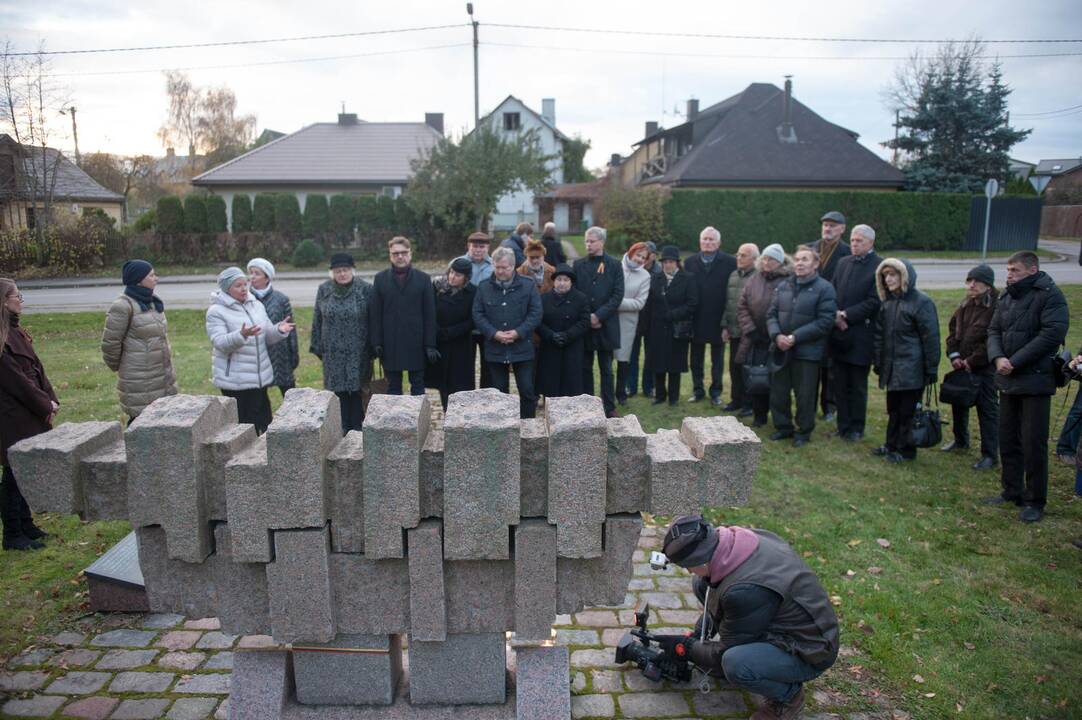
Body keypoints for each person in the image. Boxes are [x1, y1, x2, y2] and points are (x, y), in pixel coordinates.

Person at [660, 515, 839, 720]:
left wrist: (688, 649)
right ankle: (752, 656)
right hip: (773, 619)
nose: (689, 570)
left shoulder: (744, 591)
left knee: (736, 664)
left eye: (687, 566)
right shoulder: (733, 544)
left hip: (810, 649)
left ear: (701, 559)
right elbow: (716, 598)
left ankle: (789, 697)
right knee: (701, 583)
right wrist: (697, 635)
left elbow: (725, 651)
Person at [984, 251, 1069, 523]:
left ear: (1032, 270)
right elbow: (993, 330)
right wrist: (997, 357)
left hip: (1035, 379)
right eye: (1008, 270)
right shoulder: (1007, 296)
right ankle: (1012, 489)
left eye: (1014, 270)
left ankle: (1035, 500)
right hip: (1007, 377)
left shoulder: (1050, 295)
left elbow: (1052, 334)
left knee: (1034, 443)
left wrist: (1015, 361)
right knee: (1007, 437)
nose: (1009, 275)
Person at [0, 278, 57, 551]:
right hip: (12, 417)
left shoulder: (16, 331)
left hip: (28, 412)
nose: (20, 300)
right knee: (13, 474)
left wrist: (51, 399)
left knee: (23, 471)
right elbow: (17, 382)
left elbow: (37, 369)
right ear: (4, 301)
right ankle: (12, 534)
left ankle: (26, 524)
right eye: (16, 296)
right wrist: (44, 405)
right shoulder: (2, 338)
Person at [206, 267, 295, 435]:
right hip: (235, 381)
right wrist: (241, 335)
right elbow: (220, 342)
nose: (243, 288)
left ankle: (263, 457)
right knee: (244, 428)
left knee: (265, 422)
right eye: (237, 285)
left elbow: (266, 334)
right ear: (226, 289)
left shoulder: (256, 305)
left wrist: (279, 330)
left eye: (245, 284)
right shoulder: (216, 311)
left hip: (259, 378)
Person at [871, 258, 940, 463]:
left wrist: (931, 368)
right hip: (892, 367)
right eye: (885, 275)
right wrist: (878, 361)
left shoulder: (922, 302)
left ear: (904, 276)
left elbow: (931, 337)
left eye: (893, 274)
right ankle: (891, 444)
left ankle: (906, 450)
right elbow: (879, 335)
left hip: (912, 367)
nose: (888, 279)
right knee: (893, 409)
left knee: (907, 411)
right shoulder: (888, 303)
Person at [767, 246, 837, 447]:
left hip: (807, 353)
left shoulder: (825, 289)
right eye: (797, 259)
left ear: (816, 264)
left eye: (805, 259)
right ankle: (783, 427)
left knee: (805, 395)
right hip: (781, 348)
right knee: (779, 392)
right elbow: (771, 314)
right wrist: (777, 335)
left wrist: (795, 337)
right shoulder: (783, 286)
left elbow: (825, 321)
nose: (799, 263)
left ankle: (803, 432)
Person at [100, 260, 177, 422]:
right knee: (140, 423)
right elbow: (110, 344)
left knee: (163, 424)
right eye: (151, 275)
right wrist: (124, 367)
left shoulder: (152, 302)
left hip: (162, 375)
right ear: (139, 279)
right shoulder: (123, 306)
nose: (156, 278)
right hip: (139, 380)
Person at [473, 246, 542, 418]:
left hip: (522, 348)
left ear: (513, 266)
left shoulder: (528, 285)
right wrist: (493, 333)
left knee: (526, 391)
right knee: (499, 393)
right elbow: (477, 314)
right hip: (495, 348)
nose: (500, 271)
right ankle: (503, 429)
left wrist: (519, 332)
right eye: (497, 267)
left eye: (504, 267)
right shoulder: (483, 287)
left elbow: (536, 313)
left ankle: (528, 428)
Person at [942, 264, 1000, 470]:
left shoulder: (996, 306)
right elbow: (952, 330)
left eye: (977, 281)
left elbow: (992, 339)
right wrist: (954, 354)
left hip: (985, 368)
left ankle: (990, 455)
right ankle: (960, 440)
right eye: (970, 280)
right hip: (961, 364)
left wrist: (972, 361)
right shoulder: (966, 304)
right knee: (958, 401)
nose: (972, 284)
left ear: (988, 284)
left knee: (988, 410)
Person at [827, 226, 881, 442]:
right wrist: (835, 315)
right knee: (839, 382)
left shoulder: (878, 266)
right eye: (853, 240)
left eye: (859, 240)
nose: (855, 244)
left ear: (870, 242)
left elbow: (874, 301)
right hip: (839, 333)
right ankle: (843, 425)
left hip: (861, 334)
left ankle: (857, 427)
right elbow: (832, 291)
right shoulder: (843, 263)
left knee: (857, 384)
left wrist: (846, 315)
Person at [311, 253, 372, 433]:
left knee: (358, 391)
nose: (342, 274)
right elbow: (317, 319)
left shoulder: (365, 289)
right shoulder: (324, 289)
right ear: (332, 273)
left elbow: (373, 319)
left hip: (359, 350)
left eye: (345, 270)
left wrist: (374, 346)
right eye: (338, 271)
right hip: (332, 351)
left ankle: (358, 428)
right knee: (339, 393)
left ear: (352, 270)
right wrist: (317, 346)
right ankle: (341, 428)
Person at [370, 236, 438, 396]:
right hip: (390, 343)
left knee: (418, 387)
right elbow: (375, 313)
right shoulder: (380, 279)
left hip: (416, 342)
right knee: (393, 388)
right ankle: (396, 421)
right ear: (390, 255)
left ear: (410, 254)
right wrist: (376, 342)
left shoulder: (423, 279)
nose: (400, 256)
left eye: (403, 252)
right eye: (395, 253)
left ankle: (420, 420)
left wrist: (430, 344)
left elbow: (430, 314)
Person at [737, 244, 792, 427]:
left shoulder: (788, 281)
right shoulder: (754, 279)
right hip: (755, 338)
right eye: (766, 258)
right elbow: (742, 306)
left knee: (777, 382)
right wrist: (751, 330)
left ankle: (780, 420)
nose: (768, 262)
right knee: (756, 378)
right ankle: (758, 416)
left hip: (776, 339)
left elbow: (787, 309)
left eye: (773, 259)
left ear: (780, 262)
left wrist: (775, 332)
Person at [574, 226, 624, 418]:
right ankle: (587, 402)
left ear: (601, 242)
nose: (588, 244)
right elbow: (576, 294)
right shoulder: (578, 265)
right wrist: (588, 317)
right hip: (585, 325)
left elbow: (617, 294)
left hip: (606, 324)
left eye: (592, 241)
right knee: (585, 366)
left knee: (606, 368)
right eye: (586, 241)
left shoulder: (614, 265)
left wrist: (599, 316)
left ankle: (609, 406)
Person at [684, 226, 737, 406]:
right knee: (696, 359)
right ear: (700, 242)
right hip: (696, 318)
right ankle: (698, 390)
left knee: (717, 360)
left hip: (718, 319)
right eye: (705, 239)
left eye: (711, 240)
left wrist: (727, 324)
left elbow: (732, 293)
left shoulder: (730, 262)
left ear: (719, 243)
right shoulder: (690, 262)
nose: (707, 242)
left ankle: (716, 393)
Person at [809, 211, 851, 423]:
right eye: (825, 224)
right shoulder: (810, 248)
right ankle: (808, 403)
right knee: (810, 363)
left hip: (834, 314)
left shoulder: (846, 252)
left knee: (830, 366)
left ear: (842, 229)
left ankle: (829, 406)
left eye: (833, 225)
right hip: (809, 315)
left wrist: (838, 312)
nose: (828, 228)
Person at [645, 245, 699, 406]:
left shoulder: (688, 278)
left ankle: (673, 397)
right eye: (665, 262)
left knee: (674, 364)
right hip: (657, 328)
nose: (667, 265)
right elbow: (650, 303)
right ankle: (660, 395)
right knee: (658, 363)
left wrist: (672, 315)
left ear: (677, 262)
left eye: (671, 262)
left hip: (677, 328)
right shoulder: (656, 278)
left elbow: (692, 304)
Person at [428, 258, 477, 410]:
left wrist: (452, 332)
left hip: (461, 343)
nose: (452, 277)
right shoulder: (436, 287)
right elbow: (429, 311)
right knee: (443, 383)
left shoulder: (473, 291)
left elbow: (473, 319)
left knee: (461, 383)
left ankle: (461, 417)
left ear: (466, 278)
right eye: (451, 272)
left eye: (458, 275)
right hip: (440, 341)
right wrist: (437, 331)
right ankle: (446, 412)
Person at [536, 264, 591, 399]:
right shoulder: (543, 299)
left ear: (571, 282)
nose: (562, 283)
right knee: (550, 385)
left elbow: (584, 322)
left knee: (571, 384)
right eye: (559, 279)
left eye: (566, 280)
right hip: (550, 347)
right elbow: (537, 321)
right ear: (554, 281)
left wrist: (568, 335)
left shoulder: (581, 299)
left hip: (572, 347)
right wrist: (550, 335)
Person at [247, 258, 298, 398]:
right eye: (250, 273)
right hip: (257, 355)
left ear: (267, 277)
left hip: (280, 355)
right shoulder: (245, 299)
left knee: (290, 395)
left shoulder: (281, 299)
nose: (252, 277)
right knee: (258, 400)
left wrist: (294, 355)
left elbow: (291, 330)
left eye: (256, 273)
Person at [721, 243, 759, 414]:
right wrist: (725, 326)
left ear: (754, 259)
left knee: (747, 368)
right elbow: (728, 303)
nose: (739, 258)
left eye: (743, 255)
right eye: (738, 254)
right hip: (733, 330)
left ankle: (748, 404)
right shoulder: (733, 275)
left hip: (749, 331)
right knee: (734, 367)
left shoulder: (758, 277)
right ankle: (735, 400)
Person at [615, 242, 652, 406]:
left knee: (623, 361)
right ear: (631, 252)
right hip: (608, 320)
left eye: (644, 258)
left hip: (628, 324)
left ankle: (621, 393)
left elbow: (639, 303)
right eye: (638, 255)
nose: (640, 260)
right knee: (605, 360)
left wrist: (615, 303)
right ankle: (605, 393)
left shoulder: (645, 276)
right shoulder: (615, 267)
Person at [458, 231, 494, 389]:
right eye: (475, 246)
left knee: (489, 365)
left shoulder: (494, 265)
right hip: (464, 321)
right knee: (464, 366)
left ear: (488, 247)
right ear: (468, 246)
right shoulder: (458, 264)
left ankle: (486, 395)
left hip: (488, 322)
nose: (478, 250)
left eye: (482, 246)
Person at [626, 241, 660, 400]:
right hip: (635, 317)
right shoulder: (632, 269)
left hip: (652, 319)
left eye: (650, 254)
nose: (646, 257)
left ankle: (649, 386)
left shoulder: (658, 272)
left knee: (651, 355)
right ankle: (630, 386)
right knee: (632, 355)